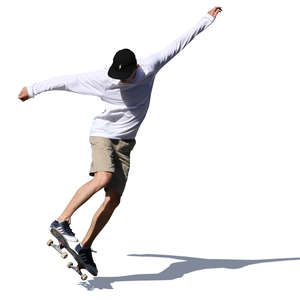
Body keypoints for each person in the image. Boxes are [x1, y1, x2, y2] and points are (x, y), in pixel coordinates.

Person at [18, 6, 222, 276]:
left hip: (126, 143)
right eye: (117, 75)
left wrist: (207, 19)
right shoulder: (103, 78)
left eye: (124, 76)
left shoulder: (149, 67)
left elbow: (180, 43)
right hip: (102, 134)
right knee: (103, 177)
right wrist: (32, 90)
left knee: (113, 198)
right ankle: (61, 220)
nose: (119, 81)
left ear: (135, 68)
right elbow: (67, 81)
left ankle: (85, 247)